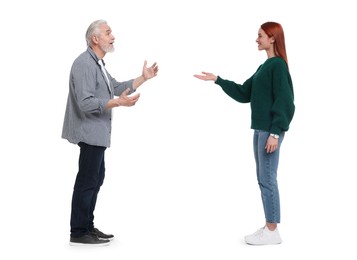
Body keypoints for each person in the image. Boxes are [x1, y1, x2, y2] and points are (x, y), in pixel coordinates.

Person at [194, 22, 295, 245]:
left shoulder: (277, 66)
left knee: (268, 179)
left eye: (260, 36)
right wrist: (218, 80)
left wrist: (275, 133)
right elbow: (243, 93)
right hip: (260, 130)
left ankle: (272, 231)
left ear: (272, 38)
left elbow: (286, 102)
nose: (256, 39)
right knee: (263, 179)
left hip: (269, 131)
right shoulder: (264, 67)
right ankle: (270, 225)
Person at [62, 19, 158, 246]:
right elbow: (86, 103)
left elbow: (115, 88)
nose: (112, 36)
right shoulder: (85, 64)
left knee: (96, 179)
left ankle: (87, 226)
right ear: (95, 38)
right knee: (87, 181)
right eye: (107, 33)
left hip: (99, 134)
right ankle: (78, 231)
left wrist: (143, 78)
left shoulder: (99, 64)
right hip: (89, 132)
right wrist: (118, 104)